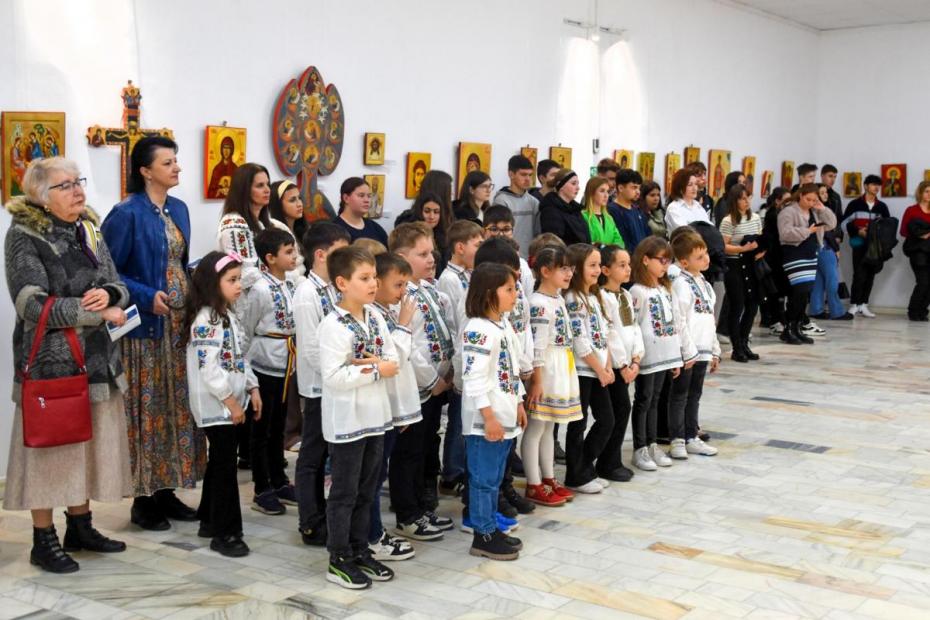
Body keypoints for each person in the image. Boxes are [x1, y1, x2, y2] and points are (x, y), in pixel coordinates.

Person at [4, 157, 131, 573]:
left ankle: (81, 527)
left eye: (79, 182)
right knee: (49, 456)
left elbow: (118, 283)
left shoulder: (88, 227)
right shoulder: (23, 235)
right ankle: (43, 540)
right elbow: (30, 304)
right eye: (66, 185)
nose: (78, 190)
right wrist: (95, 312)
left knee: (86, 449)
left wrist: (110, 295)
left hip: (98, 360)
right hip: (51, 366)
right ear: (42, 196)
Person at [101, 136, 205, 532]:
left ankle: (167, 489)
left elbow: (177, 262)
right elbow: (108, 273)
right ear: (145, 171)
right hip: (145, 332)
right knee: (148, 412)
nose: (177, 167)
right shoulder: (125, 214)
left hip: (178, 327)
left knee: (176, 408)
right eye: (167, 162)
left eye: (176, 160)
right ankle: (143, 499)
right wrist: (147, 296)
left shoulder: (179, 208)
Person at [318, 246, 398, 589]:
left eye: (374, 277)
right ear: (341, 283)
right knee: (345, 493)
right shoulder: (332, 325)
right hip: (348, 421)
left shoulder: (375, 316)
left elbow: (392, 357)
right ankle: (339, 557)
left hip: (375, 416)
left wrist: (370, 363)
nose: (373, 284)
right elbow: (334, 375)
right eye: (364, 278)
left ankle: (360, 548)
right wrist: (376, 369)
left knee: (368, 489)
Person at [185, 252, 261, 558]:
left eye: (239, 278)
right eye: (232, 280)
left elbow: (240, 357)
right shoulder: (206, 319)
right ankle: (225, 533)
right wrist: (231, 402)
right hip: (216, 406)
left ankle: (209, 518)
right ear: (212, 283)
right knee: (226, 467)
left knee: (220, 461)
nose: (239, 285)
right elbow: (209, 368)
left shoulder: (227, 314)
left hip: (231, 403)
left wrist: (252, 387)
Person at [387, 223, 454, 541]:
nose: (431, 259)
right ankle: (406, 514)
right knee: (408, 452)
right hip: (417, 387)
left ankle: (420, 508)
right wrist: (433, 379)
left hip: (436, 385)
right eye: (423, 254)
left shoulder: (427, 288)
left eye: (432, 253)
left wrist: (447, 373)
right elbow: (410, 349)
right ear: (402, 258)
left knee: (426, 448)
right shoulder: (401, 297)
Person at [460, 263, 527, 560]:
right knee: (483, 480)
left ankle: (490, 527)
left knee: (495, 478)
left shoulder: (502, 324)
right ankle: (483, 535)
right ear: (489, 294)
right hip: (485, 420)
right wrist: (488, 418)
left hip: (504, 413)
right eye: (509, 289)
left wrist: (519, 402)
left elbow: (511, 369)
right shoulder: (477, 329)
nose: (515, 294)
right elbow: (473, 377)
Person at [294, 222, 351, 548]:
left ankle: (323, 514)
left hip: (335, 381)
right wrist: (335, 375)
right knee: (312, 454)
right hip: (320, 384)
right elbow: (312, 347)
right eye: (339, 253)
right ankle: (310, 520)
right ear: (320, 255)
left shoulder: (331, 287)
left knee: (327, 451)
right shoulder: (307, 293)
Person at [239, 229, 299, 516]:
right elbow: (246, 329)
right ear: (270, 258)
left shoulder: (291, 285)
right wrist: (246, 372)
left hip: (285, 363)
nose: (294, 256)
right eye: (288, 252)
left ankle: (278, 479)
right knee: (261, 429)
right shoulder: (260, 289)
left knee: (278, 426)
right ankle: (261, 487)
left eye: (294, 250)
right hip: (263, 365)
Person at [369, 253, 421, 561]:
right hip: (379, 409)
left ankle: (373, 533)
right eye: (398, 285)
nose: (403, 293)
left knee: (378, 473)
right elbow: (393, 361)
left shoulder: (384, 312)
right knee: (373, 477)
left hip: (391, 408)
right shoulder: (375, 317)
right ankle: (372, 536)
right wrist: (403, 325)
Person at [629, 237, 697, 471]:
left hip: (666, 354)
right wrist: (635, 356)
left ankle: (652, 444)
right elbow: (634, 325)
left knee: (656, 399)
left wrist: (677, 356)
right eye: (661, 260)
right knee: (644, 399)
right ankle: (640, 447)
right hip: (648, 355)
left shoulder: (666, 288)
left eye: (669, 261)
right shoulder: (637, 291)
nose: (665, 266)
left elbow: (675, 322)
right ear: (645, 260)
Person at [523, 246, 581, 506]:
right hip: (546, 369)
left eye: (571, 268)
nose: (569, 274)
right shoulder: (538, 303)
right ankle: (533, 483)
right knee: (536, 427)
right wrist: (536, 380)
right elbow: (537, 347)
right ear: (545, 271)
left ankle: (548, 478)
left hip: (561, 366)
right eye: (563, 268)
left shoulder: (558, 299)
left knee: (549, 428)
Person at [563, 244, 615, 494]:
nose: (597, 270)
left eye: (598, 265)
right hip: (584, 370)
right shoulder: (573, 299)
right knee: (578, 423)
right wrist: (599, 368)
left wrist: (608, 365)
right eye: (591, 265)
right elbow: (580, 340)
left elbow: (604, 335)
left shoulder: (595, 297)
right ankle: (576, 474)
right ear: (576, 268)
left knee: (607, 420)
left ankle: (584, 467)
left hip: (598, 369)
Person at [436, 220, 483, 495]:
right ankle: (452, 472)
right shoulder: (449, 279)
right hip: (458, 354)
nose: (481, 249)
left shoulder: (469, 274)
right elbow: (453, 321)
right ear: (460, 247)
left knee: (464, 415)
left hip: (465, 353)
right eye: (477, 244)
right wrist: (455, 362)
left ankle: (462, 467)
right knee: (456, 417)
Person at [669, 233, 720, 458]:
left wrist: (715, 350)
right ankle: (677, 439)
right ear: (683, 262)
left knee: (695, 395)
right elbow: (679, 319)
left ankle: (691, 436)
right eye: (699, 257)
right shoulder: (681, 284)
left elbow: (710, 319)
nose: (706, 259)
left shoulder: (706, 285)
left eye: (706, 253)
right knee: (679, 395)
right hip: (687, 352)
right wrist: (687, 350)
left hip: (703, 350)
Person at [598, 245, 643, 481]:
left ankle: (612, 460)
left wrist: (636, 358)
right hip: (614, 366)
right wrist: (623, 364)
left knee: (622, 409)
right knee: (618, 411)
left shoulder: (625, 295)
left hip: (628, 365)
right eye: (622, 265)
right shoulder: (602, 297)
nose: (628, 269)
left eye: (629, 265)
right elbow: (609, 334)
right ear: (606, 270)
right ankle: (607, 461)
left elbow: (633, 327)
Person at [778, 184, 837, 344]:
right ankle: (788, 329)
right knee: (798, 292)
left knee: (804, 294)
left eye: (814, 200)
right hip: (794, 254)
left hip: (810, 254)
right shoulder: (788, 211)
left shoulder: (815, 211)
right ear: (800, 196)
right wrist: (807, 231)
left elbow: (831, 224)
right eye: (808, 199)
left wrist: (823, 209)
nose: (810, 203)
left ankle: (797, 328)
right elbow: (784, 233)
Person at [719, 184, 764, 362]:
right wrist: (742, 249)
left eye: (748, 198)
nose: (746, 202)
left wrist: (760, 250)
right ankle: (736, 347)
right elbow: (723, 246)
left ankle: (745, 343)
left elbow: (760, 238)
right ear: (735, 200)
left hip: (751, 264)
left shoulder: (755, 218)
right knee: (737, 305)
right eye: (742, 198)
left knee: (753, 305)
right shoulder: (728, 220)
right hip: (735, 265)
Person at [217, 163, 273, 291]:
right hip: (245, 296)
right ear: (245, 190)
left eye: (268, 184)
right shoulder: (234, 223)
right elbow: (245, 272)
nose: (267, 190)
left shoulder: (260, 223)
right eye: (260, 185)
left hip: (263, 290)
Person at [843, 174, 890, 318]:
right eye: (873, 184)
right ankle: (854, 304)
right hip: (858, 244)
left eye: (878, 185)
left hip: (875, 247)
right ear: (865, 186)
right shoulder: (854, 204)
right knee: (859, 274)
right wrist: (858, 231)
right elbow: (844, 224)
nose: (876, 187)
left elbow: (887, 227)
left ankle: (864, 304)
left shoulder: (882, 207)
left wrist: (875, 233)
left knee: (870, 275)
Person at [810, 166, 852, 321]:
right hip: (825, 247)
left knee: (819, 281)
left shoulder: (826, 205)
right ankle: (837, 311)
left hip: (822, 246)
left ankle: (816, 310)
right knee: (832, 280)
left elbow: (836, 222)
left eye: (825, 192)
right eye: (822, 193)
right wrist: (835, 247)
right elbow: (827, 231)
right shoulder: (818, 211)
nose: (825, 195)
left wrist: (838, 238)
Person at [759, 188, 792, 334]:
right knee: (774, 290)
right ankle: (773, 320)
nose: (789, 203)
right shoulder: (773, 215)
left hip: (779, 257)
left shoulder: (781, 213)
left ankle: (778, 319)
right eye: (786, 200)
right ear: (778, 200)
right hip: (773, 258)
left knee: (779, 290)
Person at [493, 155, 540, 257]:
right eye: (523, 174)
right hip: (508, 256)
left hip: (529, 258)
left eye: (530, 175)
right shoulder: (501, 201)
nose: (528, 179)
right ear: (511, 174)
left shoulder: (534, 202)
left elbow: (538, 234)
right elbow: (499, 234)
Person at [901, 181, 930, 321]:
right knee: (923, 282)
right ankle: (913, 311)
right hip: (918, 252)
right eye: (927, 191)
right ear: (920, 193)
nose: (929, 194)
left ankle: (922, 311)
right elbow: (903, 231)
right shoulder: (911, 210)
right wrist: (919, 234)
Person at [268, 179, 308, 282]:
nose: (299, 204)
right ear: (278, 205)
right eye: (292, 200)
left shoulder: (301, 231)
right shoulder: (276, 233)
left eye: (299, 198)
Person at [539, 169, 590, 245]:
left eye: (577, 184)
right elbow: (553, 242)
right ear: (561, 186)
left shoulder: (576, 209)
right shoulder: (551, 211)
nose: (578, 188)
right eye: (573, 184)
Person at [333, 177, 389, 247]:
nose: (367, 200)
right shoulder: (334, 230)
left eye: (369, 196)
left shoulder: (375, 227)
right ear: (346, 198)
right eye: (361, 195)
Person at [609, 169, 650, 252]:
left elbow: (648, 237)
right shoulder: (612, 211)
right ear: (620, 188)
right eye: (634, 187)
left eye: (639, 188)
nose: (638, 192)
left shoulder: (638, 211)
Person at [582, 176, 624, 246]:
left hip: (612, 253)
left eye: (607, 191)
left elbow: (619, 242)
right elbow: (586, 242)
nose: (606, 195)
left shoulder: (609, 218)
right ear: (591, 193)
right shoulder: (583, 216)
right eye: (602, 191)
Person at [666, 168, 711, 233]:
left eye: (696, 184)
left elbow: (710, 227)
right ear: (680, 188)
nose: (694, 188)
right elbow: (685, 232)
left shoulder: (698, 205)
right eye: (690, 185)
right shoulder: (674, 208)